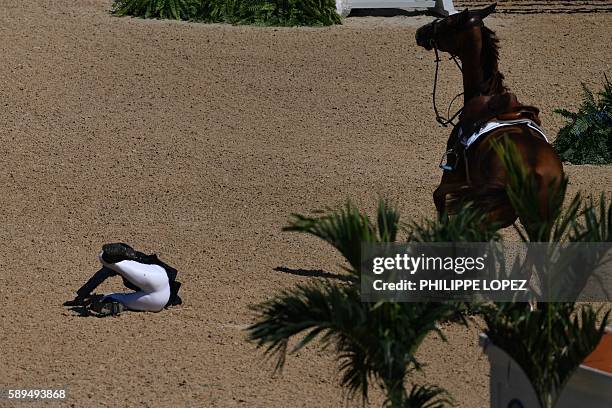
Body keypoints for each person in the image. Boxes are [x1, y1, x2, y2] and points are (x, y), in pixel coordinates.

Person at [70, 243, 182, 316]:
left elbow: (100, 276)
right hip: (160, 279)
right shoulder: (140, 259)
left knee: (110, 296)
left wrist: (81, 295)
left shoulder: (125, 265)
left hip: (155, 300)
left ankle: (111, 302)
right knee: (108, 261)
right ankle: (112, 304)